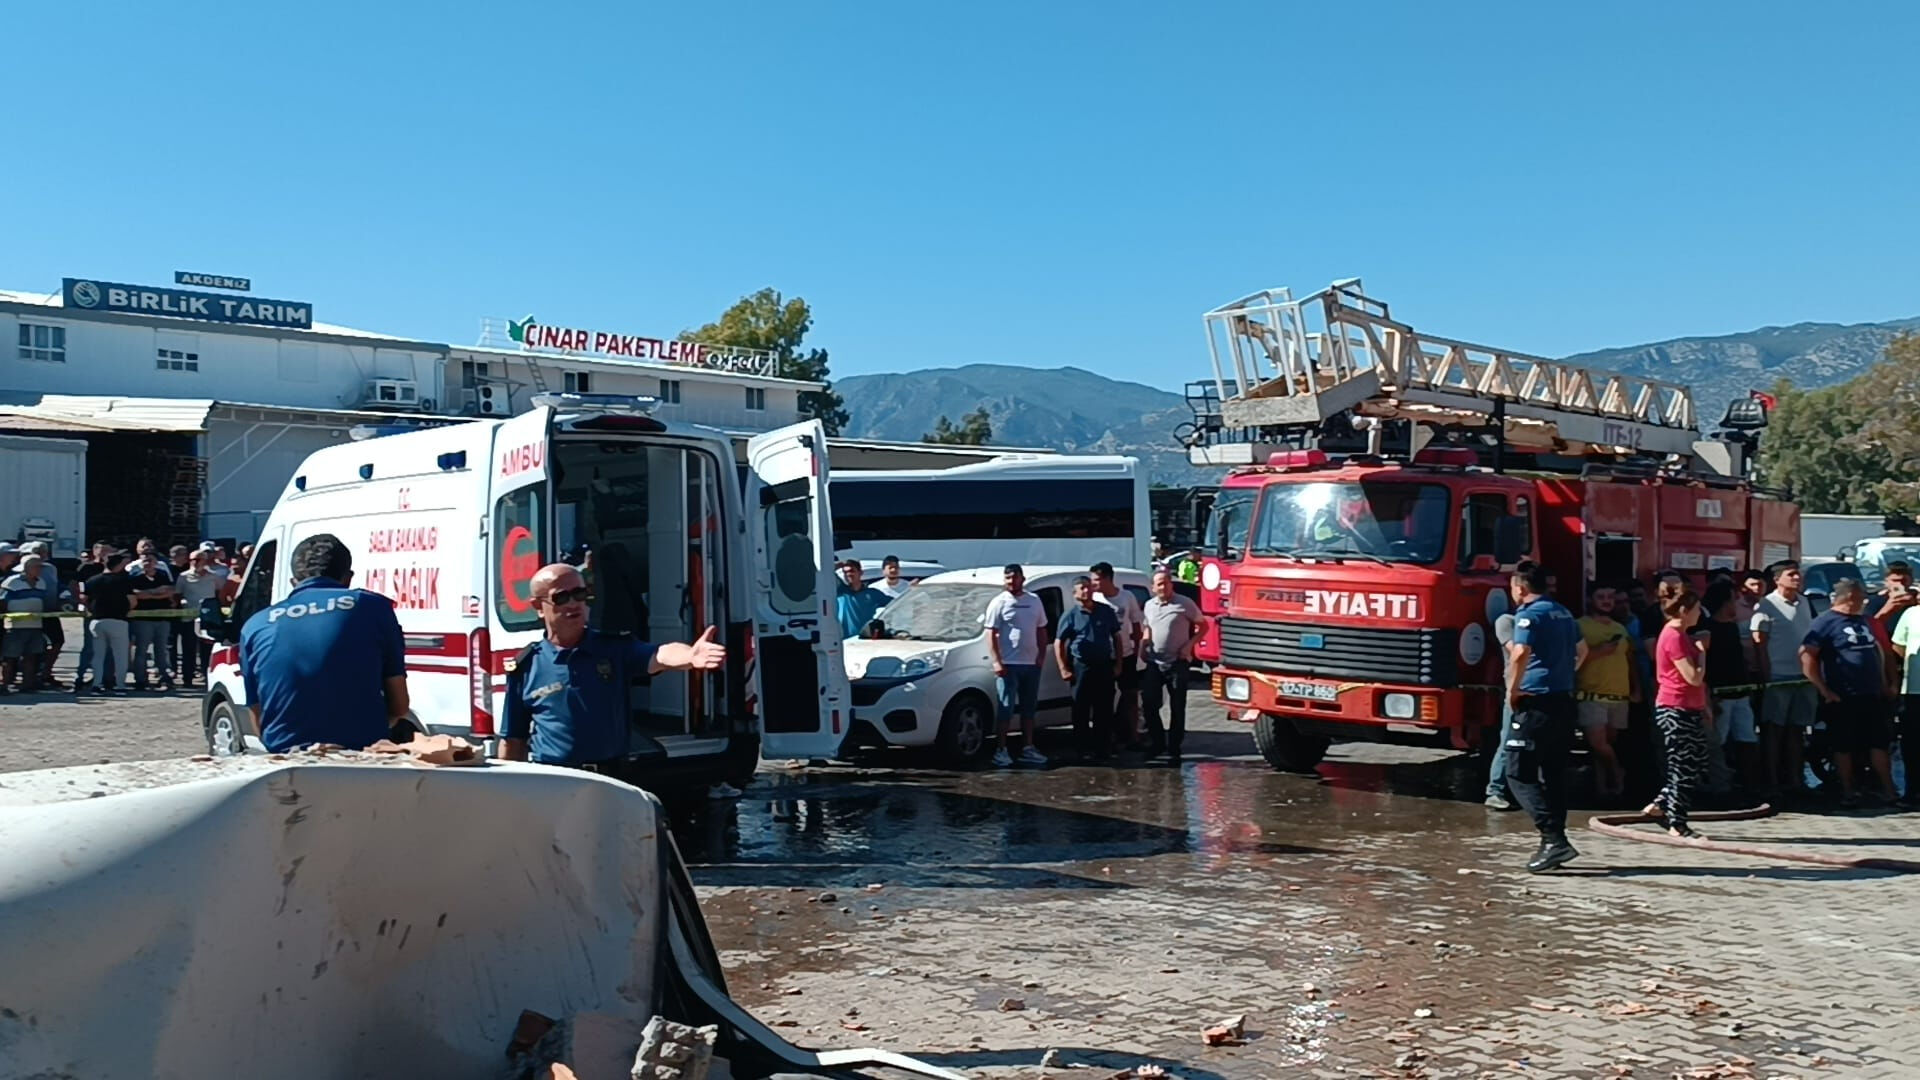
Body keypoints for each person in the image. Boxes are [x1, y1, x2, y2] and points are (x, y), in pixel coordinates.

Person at [498, 562, 727, 771]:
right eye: (561, 597)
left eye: (579, 594)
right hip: (554, 780)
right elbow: (513, 740)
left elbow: (659, 654)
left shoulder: (613, 649)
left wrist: (689, 655)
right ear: (539, 606)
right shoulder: (526, 667)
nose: (574, 604)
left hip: (610, 778)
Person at [240, 534, 410, 753]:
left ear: (294, 582)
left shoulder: (256, 624)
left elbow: (257, 715)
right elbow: (399, 706)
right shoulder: (372, 607)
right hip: (360, 754)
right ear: (348, 578)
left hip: (286, 759)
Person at [1503, 564, 1588, 872]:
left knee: (1518, 772)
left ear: (1521, 588)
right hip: (1563, 702)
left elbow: (1520, 652)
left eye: (1512, 587)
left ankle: (1553, 839)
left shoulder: (1529, 614)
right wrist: (1562, 675)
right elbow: (1583, 650)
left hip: (1535, 702)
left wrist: (1513, 690)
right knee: (1552, 774)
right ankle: (1554, 842)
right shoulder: (1563, 613)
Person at [1800, 579, 1899, 806]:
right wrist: (1824, 689)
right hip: (1842, 695)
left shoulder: (1865, 621)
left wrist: (1888, 682)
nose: (1864, 600)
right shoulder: (1824, 622)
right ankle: (1848, 790)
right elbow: (1806, 656)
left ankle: (1888, 790)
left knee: (1879, 742)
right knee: (1843, 745)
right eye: (1861, 596)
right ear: (1849, 597)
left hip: (1871, 694)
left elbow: (1882, 653)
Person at [1648, 581, 1713, 838]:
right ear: (1685, 610)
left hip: (1690, 706)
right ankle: (1677, 822)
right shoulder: (1674, 635)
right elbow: (1693, 677)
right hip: (1675, 708)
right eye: (1697, 609)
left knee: (1696, 761)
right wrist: (1702, 654)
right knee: (1682, 765)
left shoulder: (1683, 634)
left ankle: (1661, 803)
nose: (1700, 613)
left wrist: (1704, 705)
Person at [1752, 560, 1816, 799]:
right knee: (1773, 730)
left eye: (1798, 574)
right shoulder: (1766, 605)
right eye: (1791, 575)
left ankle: (1796, 779)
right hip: (1778, 677)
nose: (1797, 578)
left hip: (1803, 677)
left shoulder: (1806, 602)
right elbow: (1760, 643)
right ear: (1777, 579)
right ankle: (1772, 780)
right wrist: (1767, 676)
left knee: (1797, 730)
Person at [1574, 582, 1637, 798]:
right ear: (1590, 599)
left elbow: (1630, 660)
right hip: (1591, 694)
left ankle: (1604, 789)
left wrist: (1636, 687)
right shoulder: (1579, 625)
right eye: (1601, 597)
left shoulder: (1620, 628)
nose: (1607, 601)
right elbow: (1572, 660)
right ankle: (1617, 772)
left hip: (1619, 695)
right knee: (1598, 743)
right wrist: (1598, 652)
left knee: (1605, 746)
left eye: (1610, 597)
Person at [984, 564, 1049, 768]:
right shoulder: (998, 602)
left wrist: (1041, 656)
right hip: (1008, 666)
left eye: (1014, 577)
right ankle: (1001, 750)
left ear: (1022, 578)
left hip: (1030, 664)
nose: (1011, 582)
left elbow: (1041, 629)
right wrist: (997, 661)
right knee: (1006, 709)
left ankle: (1027, 748)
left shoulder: (1034, 601)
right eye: (1008, 578)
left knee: (1029, 709)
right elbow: (990, 633)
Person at [1702, 581, 1762, 796]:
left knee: (1747, 738)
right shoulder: (1709, 629)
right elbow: (1707, 665)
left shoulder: (1732, 627)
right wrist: (1711, 697)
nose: (1736, 604)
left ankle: (1749, 783)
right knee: (1719, 741)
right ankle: (1719, 784)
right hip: (1721, 696)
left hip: (1741, 693)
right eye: (1733, 599)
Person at [1141, 568, 1207, 763]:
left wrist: (1189, 646)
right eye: (1159, 583)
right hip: (1154, 662)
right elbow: (1147, 628)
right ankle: (1157, 742)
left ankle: (1174, 747)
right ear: (1153, 588)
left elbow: (1203, 626)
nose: (1164, 586)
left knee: (1178, 707)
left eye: (1167, 582)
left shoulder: (1184, 603)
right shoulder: (1149, 606)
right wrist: (1142, 646)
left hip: (1177, 663)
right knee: (1149, 704)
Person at [1055, 575, 1124, 760]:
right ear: (1075, 593)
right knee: (1081, 709)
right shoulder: (1070, 615)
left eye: (1088, 587)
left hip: (1103, 666)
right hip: (1082, 668)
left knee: (1104, 709)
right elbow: (1059, 642)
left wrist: (1118, 663)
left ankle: (1103, 748)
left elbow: (1117, 638)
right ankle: (1082, 749)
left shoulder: (1106, 611)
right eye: (1082, 588)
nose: (1086, 591)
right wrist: (1063, 667)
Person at [1090, 562, 1146, 747]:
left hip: (1127, 653)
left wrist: (1138, 652)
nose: (1093, 584)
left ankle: (1134, 735)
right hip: (1105, 656)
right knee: (1104, 697)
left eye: (1096, 580)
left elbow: (1137, 624)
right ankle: (1108, 736)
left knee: (1130, 695)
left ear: (1107, 578)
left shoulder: (1126, 597)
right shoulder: (1095, 598)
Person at [80, 552, 136, 694]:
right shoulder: (124, 581)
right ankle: (120, 685)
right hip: (118, 620)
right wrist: (126, 609)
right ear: (119, 565)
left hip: (97, 620)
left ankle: (97, 684)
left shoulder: (93, 580)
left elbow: (84, 599)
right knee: (120, 655)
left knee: (98, 656)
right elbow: (133, 601)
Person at [1, 555, 53, 693]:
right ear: (26, 568)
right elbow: (2, 602)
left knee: (32, 656)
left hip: (35, 626)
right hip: (15, 626)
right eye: (36, 567)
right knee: (10, 657)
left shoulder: (41, 582)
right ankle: (5, 684)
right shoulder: (12, 582)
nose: (39, 570)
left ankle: (28, 684)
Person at [128, 550, 178, 691]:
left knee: (161, 650)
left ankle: (164, 678)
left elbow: (169, 591)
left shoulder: (162, 576)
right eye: (144, 561)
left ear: (156, 563)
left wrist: (150, 593)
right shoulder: (135, 578)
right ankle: (140, 679)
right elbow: (137, 595)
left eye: (150, 560)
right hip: (142, 619)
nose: (147, 563)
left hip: (162, 619)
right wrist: (157, 593)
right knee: (141, 650)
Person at [174, 549, 225, 686]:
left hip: (207, 619)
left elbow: (219, 594)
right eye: (192, 560)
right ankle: (187, 678)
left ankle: (208, 677)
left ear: (205, 560)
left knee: (206, 651)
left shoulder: (214, 577)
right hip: (189, 618)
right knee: (188, 649)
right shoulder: (183, 577)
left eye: (198, 559)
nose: (195, 562)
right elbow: (177, 595)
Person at [71, 542, 111, 692]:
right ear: (95, 551)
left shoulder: (112, 568)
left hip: (109, 612)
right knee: (89, 647)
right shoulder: (86, 568)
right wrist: (79, 601)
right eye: (102, 551)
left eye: (108, 551)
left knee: (108, 648)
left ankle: (105, 678)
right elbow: (74, 584)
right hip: (91, 611)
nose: (105, 554)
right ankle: (79, 677)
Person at [834, 560, 886, 640]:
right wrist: (837, 565)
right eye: (845, 572)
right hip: (844, 641)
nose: (848, 574)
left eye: (852, 571)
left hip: (865, 640)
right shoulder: (840, 591)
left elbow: (896, 604)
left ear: (860, 572)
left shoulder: (873, 594)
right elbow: (823, 573)